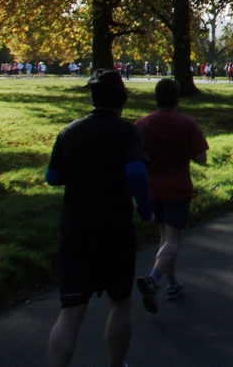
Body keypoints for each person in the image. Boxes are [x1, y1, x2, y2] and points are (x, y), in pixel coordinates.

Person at [45, 69, 153, 367]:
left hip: (76, 228)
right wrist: (145, 211)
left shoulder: (70, 131)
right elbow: (136, 173)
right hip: (115, 229)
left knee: (71, 311)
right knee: (120, 302)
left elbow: (53, 177)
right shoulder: (127, 132)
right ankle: (115, 365)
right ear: (122, 99)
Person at [134, 78, 209, 312]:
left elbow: (136, 158)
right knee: (174, 241)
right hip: (177, 188)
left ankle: (172, 283)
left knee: (164, 239)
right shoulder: (187, 124)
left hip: (152, 190)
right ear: (177, 98)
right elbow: (201, 158)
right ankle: (153, 279)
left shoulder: (142, 125)